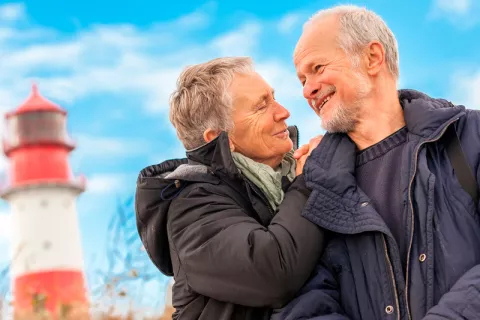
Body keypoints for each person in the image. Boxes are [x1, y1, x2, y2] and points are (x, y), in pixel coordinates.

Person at [275, 4, 480, 320]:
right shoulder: (312, 187)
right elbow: (303, 302)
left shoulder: (470, 136)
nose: (307, 90)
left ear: (372, 57)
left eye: (317, 68)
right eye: (302, 79)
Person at [135, 57, 325, 320]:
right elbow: (273, 273)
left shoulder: (291, 178)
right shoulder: (192, 210)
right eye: (261, 106)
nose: (283, 112)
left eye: (273, 97)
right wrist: (307, 183)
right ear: (220, 138)